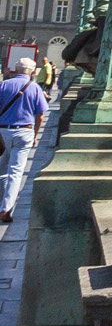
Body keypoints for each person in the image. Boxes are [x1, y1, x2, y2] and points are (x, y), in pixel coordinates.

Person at [0, 58, 49, 224]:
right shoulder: (35, 88)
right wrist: (35, 134)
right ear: (33, 72)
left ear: (16, 69)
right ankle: (6, 208)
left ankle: (1, 203)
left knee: (2, 170)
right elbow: (40, 115)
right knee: (16, 172)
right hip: (25, 131)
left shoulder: (3, 85)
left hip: (3, 132)